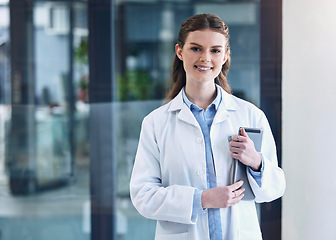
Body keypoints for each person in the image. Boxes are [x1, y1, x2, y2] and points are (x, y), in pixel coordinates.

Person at [130, 13, 285, 240]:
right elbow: (143, 196)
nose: (205, 58)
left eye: (215, 50)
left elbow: (274, 189)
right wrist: (202, 199)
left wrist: (256, 161)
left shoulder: (250, 115)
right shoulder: (156, 123)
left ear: (225, 56)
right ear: (179, 52)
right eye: (196, 48)